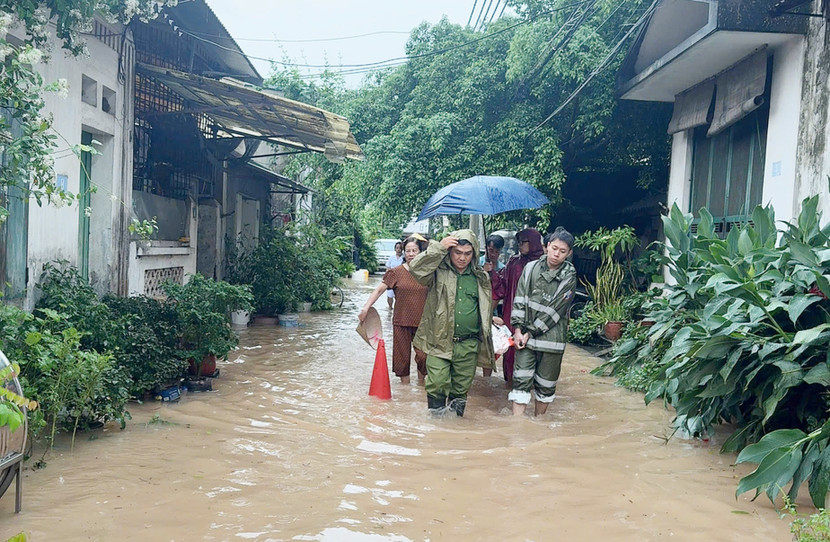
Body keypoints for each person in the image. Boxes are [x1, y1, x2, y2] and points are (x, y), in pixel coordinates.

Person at [408, 229, 495, 417]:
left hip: (469, 343)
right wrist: (439, 247)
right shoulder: (437, 271)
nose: (462, 258)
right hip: (439, 339)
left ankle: (454, 431)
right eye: (457, 252)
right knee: (437, 382)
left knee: (461, 388)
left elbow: (485, 307)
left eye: (467, 253)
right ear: (450, 252)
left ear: (474, 254)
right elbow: (415, 268)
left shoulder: (481, 277)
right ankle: (436, 427)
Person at [509, 227, 577, 416]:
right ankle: (517, 428)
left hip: (551, 341)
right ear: (547, 246)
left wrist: (529, 332)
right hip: (525, 337)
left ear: (569, 253)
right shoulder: (530, 268)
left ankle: (539, 422)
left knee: (545, 386)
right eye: (554, 248)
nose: (556, 254)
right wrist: (517, 330)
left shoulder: (569, 277)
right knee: (520, 381)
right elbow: (520, 299)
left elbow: (554, 311)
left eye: (562, 251)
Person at [359, 237, 429, 385]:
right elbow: (379, 290)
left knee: (424, 357)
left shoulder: (428, 273)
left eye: (414, 250)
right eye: (408, 251)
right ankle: (406, 391)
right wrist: (366, 307)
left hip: (423, 322)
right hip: (401, 320)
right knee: (402, 359)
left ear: (420, 252)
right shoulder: (395, 272)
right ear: (404, 252)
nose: (411, 254)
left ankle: (421, 385)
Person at [491, 228, 545, 384]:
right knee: (511, 349)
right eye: (519, 242)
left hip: (535, 316)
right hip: (512, 313)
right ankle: (510, 384)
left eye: (524, 242)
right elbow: (501, 286)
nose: (520, 245)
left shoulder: (543, 264)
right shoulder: (514, 262)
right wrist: (492, 272)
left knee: (533, 350)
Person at [385, 241, 405, 310]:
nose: (398, 249)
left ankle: (398, 309)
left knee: (399, 296)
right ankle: (390, 308)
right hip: (392, 278)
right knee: (389, 295)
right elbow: (388, 268)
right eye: (397, 248)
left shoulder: (404, 258)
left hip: (401, 279)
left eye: (400, 248)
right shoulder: (391, 258)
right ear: (395, 249)